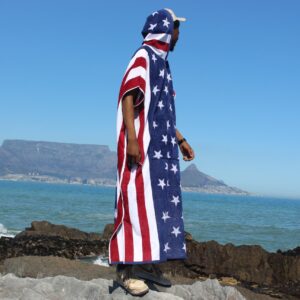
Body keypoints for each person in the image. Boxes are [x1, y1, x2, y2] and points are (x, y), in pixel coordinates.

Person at [109, 8, 195, 296]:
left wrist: (180, 139)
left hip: (160, 151)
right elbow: (128, 94)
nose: (179, 34)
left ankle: (145, 264)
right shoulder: (143, 57)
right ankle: (125, 271)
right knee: (135, 204)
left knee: (157, 207)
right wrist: (132, 140)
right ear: (165, 29)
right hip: (140, 148)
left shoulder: (163, 65)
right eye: (177, 28)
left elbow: (160, 112)